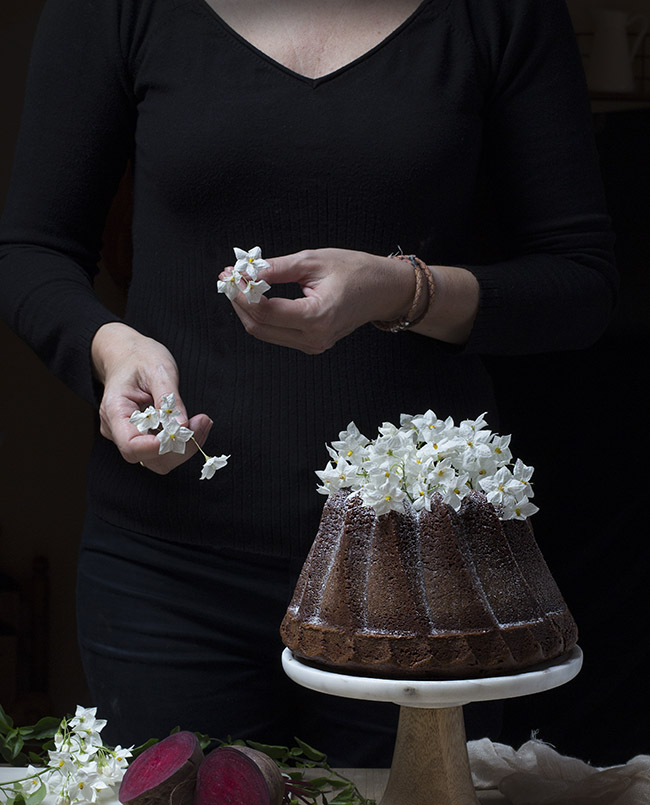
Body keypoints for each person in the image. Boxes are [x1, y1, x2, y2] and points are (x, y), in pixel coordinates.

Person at [0, 0, 617, 763]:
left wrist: (401, 291)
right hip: (170, 573)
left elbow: (580, 284)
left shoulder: (500, 16)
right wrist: (109, 346)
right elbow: (31, 250)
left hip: (426, 577)